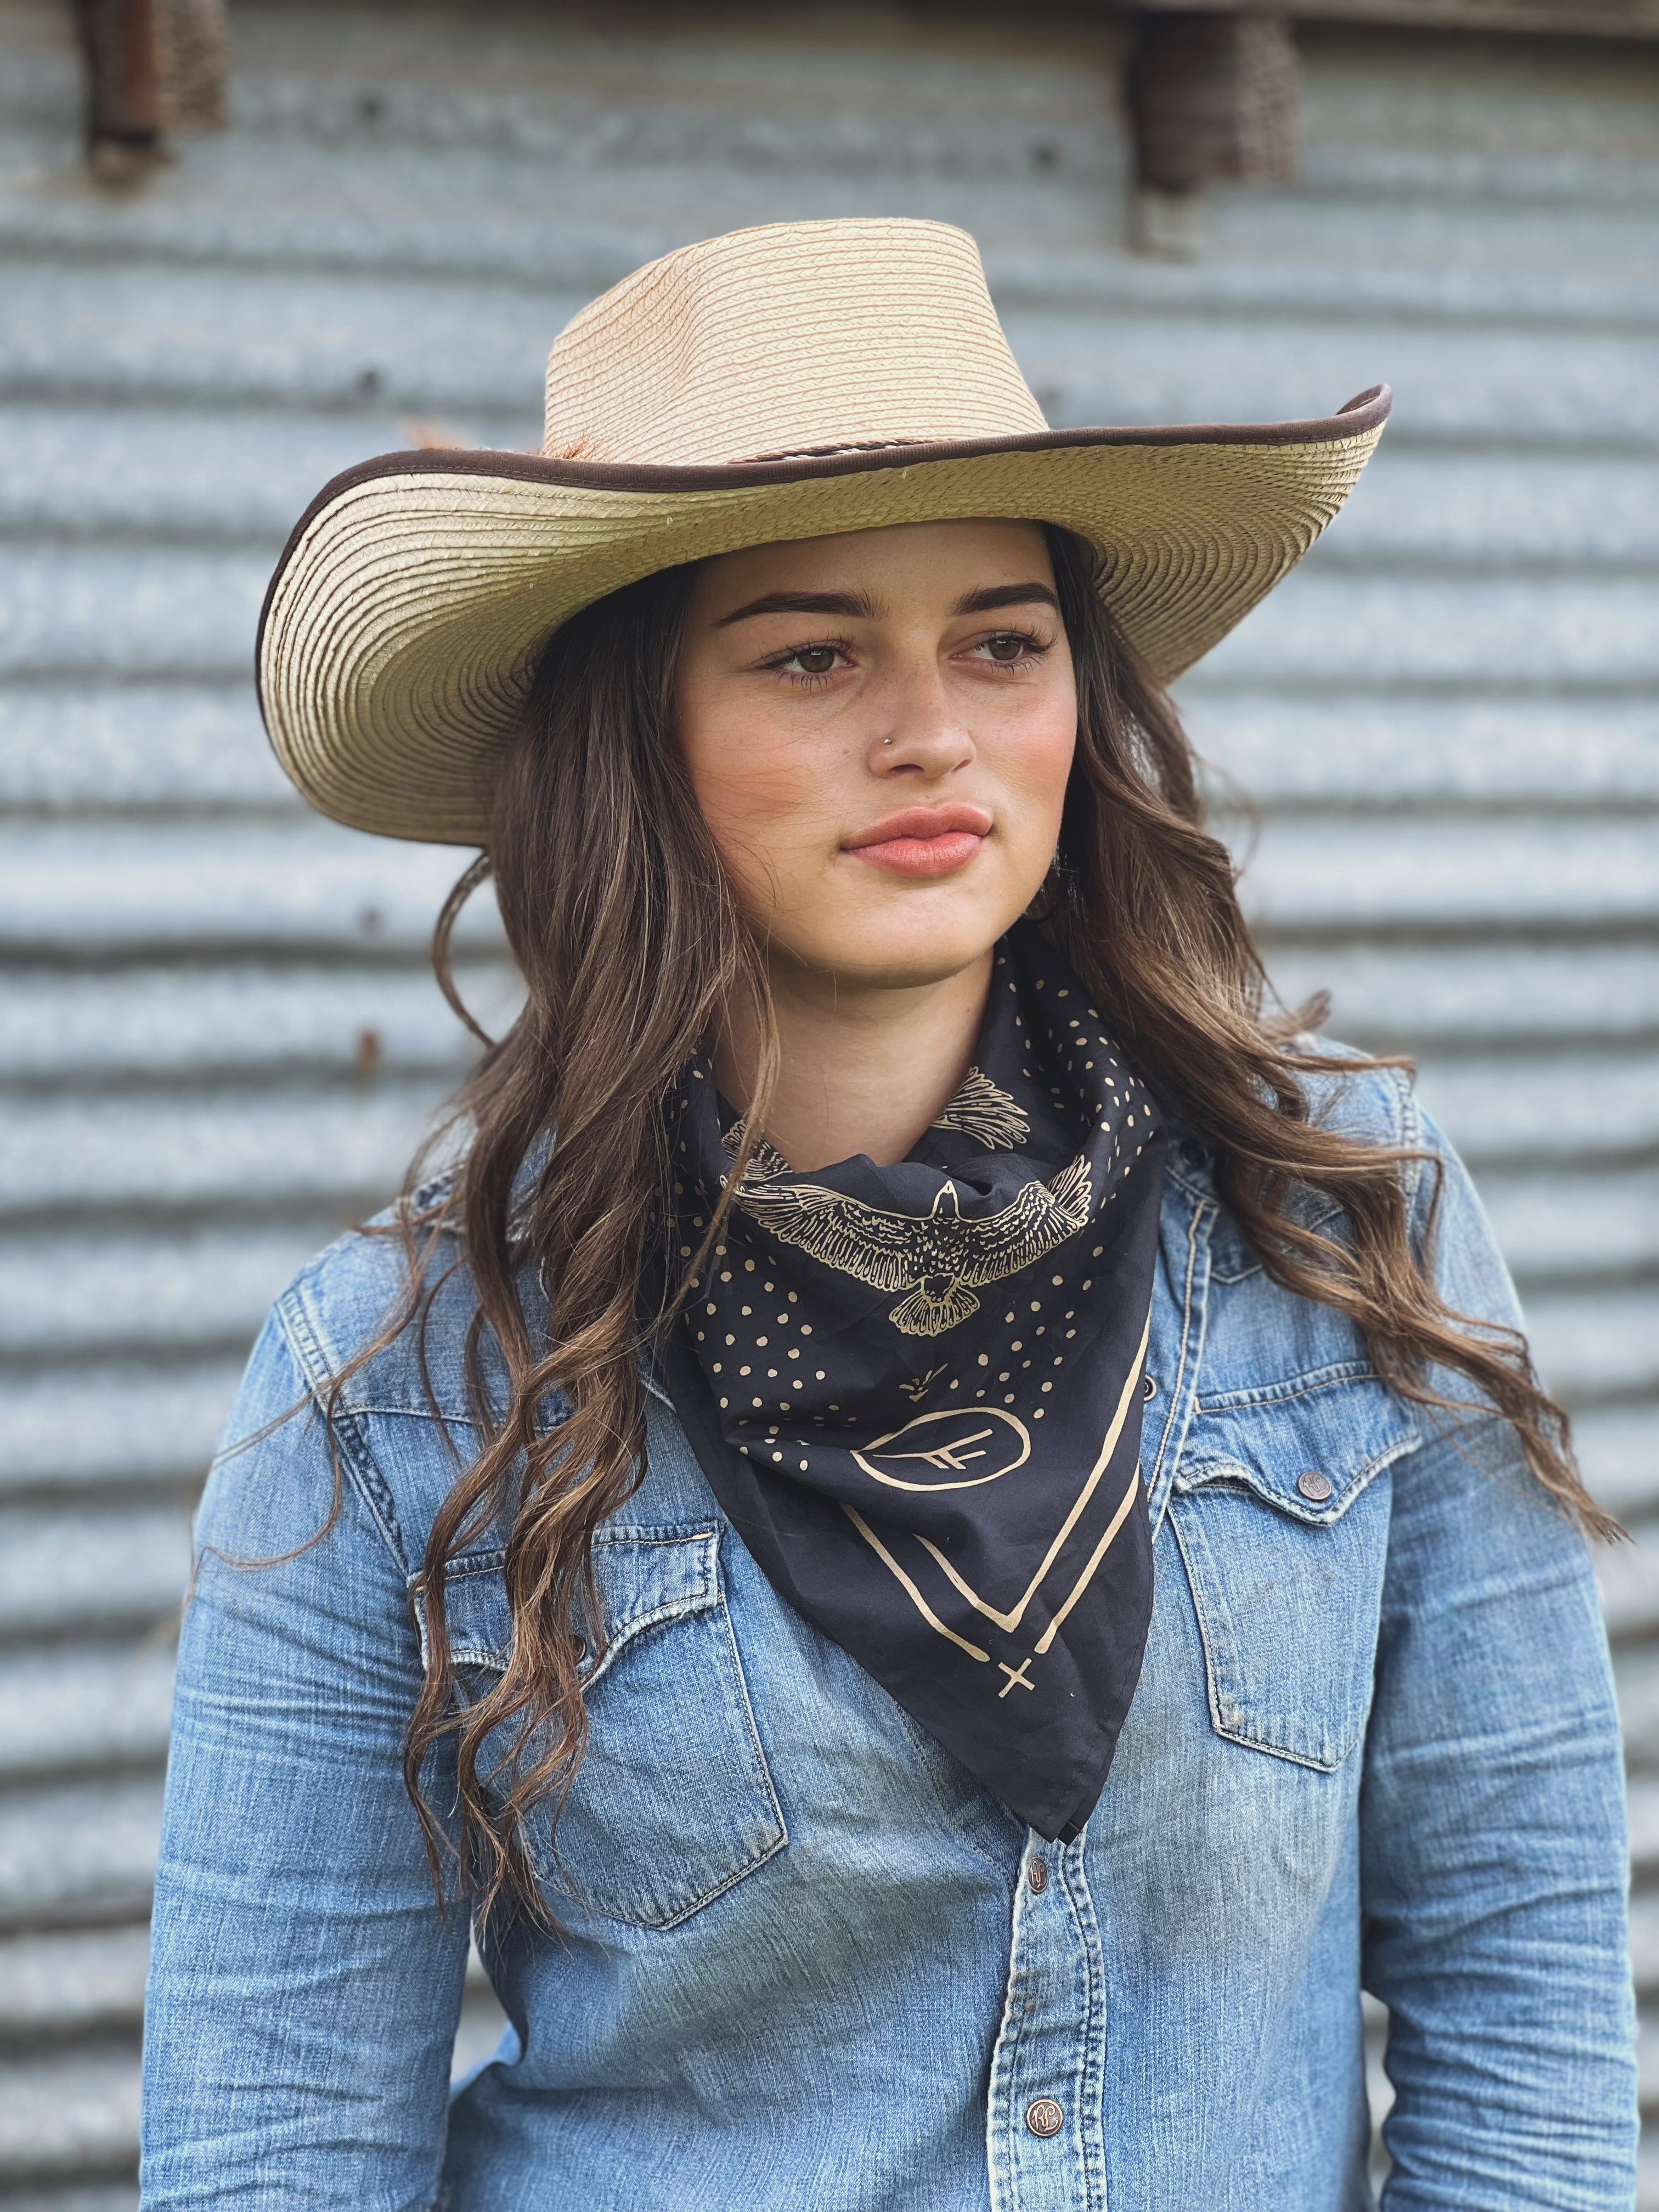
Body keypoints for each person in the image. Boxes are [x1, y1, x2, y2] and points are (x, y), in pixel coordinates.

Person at [140, 219, 1637, 2210]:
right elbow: (276, 2156)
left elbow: (1523, 2005)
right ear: (632, 736)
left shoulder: (1347, 1227)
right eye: (813, 652)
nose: (932, 730)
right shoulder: (394, 1391)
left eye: (1002, 642)